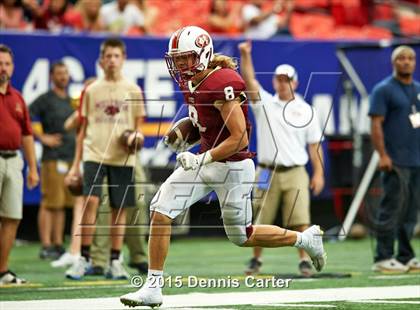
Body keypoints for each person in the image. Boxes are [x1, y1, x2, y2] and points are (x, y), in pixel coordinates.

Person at [119, 25, 326, 308]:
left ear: (203, 54)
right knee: (161, 209)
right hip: (207, 159)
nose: (180, 64)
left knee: (242, 236)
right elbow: (201, 119)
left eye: (186, 57)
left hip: (234, 167)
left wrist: (199, 157)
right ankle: (153, 287)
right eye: (176, 58)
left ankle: (305, 239)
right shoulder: (189, 80)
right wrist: (182, 134)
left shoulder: (223, 81)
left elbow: (239, 138)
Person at [238, 41, 325, 276]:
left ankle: (304, 260)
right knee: (259, 217)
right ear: (275, 81)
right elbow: (249, 81)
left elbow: (314, 145)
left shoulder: (307, 110)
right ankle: (256, 260)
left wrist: (318, 173)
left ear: (295, 82)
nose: (282, 83)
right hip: (266, 170)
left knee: (300, 219)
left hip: (296, 169)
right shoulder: (265, 103)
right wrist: (245, 54)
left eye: (287, 79)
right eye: (279, 79)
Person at [65, 38, 146, 280]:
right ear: (101, 60)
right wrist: (74, 165)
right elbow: (82, 129)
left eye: (116, 56)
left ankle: (115, 260)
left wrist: (135, 139)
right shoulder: (91, 90)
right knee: (90, 201)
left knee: (119, 208)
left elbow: (138, 126)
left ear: (123, 59)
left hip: (122, 157)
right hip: (94, 153)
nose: (112, 60)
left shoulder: (133, 90)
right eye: (108, 56)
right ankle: (84, 258)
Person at [369, 45, 420, 273]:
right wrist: (383, 155)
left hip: (416, 159)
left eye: (410, 58)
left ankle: (406, 256)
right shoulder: (383, 89)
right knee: (391, 208)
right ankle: (383, 256)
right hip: (395, 160)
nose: (407, 62)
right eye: (402, 58)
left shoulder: (418, 89)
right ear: (394, 63)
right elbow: (376, 124)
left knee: (410, 211)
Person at [0, 44, 39, 285]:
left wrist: (33, 168)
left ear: (13, 68)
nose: (3, 68)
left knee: (12, 216)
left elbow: (26, 134)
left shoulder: (18, 98)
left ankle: (2, 271)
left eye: (6, 63)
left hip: (14, 160)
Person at [29, 61, 76, 262]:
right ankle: (46, 245)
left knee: (63, 204)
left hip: (69, 157)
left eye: (65, 73)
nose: (63, 77)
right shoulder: (45, 99)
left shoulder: (72, 101)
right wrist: (43, 138)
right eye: (59, 73)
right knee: (49, 203)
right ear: (52, 77)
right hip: (52, 158)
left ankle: (58, 244)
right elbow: (27, 119)